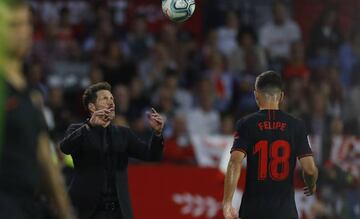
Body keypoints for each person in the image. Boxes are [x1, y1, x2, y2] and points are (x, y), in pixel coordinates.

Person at [0, 1, 75, 219]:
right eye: (14, 25)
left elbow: (46, 161)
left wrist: (65, 211)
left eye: (27, 24)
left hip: (29, 204)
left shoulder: (32, 95)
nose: (24, 32)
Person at [59, 82, 165, 219]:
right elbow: (65, 147)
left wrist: (157, 135)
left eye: (112, 99)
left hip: (118, 212)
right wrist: (89, 126)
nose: (111, 102)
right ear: (92, 107)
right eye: (105, 98)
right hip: (87, 211)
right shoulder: (79, 129)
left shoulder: (123, 133)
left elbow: (151, 155)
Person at [222, 71, 318, 219]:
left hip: (253, 211)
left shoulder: (246, 124)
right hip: (285, 212)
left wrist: (227, 203)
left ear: (256, 95)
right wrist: (311, 185)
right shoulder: (296, 126)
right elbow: (310, 169)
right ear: (281, 96)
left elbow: (235, 161)